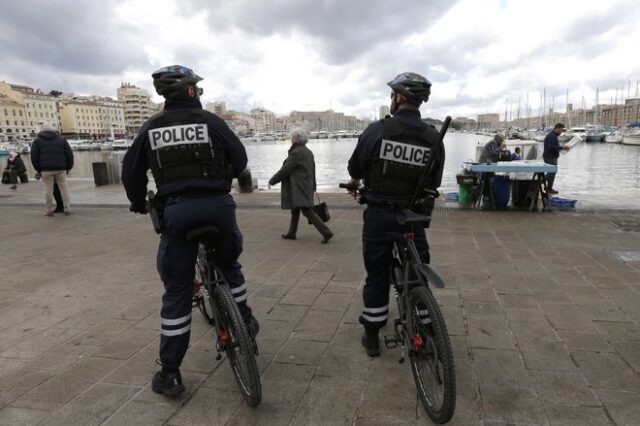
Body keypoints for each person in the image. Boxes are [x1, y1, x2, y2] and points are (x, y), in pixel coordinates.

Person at [121, 65, 259, 397]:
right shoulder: (212, 122)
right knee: (230, 267)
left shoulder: (151, 128)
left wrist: (139, 202)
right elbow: (239, 161)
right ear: (191, 91)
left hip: (177, 212)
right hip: (217, 208)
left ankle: (170, 373)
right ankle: (247, 327)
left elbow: (131, 172)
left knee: (178, 292)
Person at [346, 72, 445, 357]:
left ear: (399, 98)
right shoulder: (432, 137)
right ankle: (426, 328)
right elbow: (434, 182)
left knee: (376, 274)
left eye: (392, 96)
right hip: (412, 217)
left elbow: (356, 169)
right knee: (418, 273)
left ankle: (373, 335)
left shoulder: (378, 131)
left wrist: (355, 183)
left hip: (380, 216)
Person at [268, 128, 333, 243]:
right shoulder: (307, 151)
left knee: (307, 211)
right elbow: (312, 170)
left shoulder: (296, 152)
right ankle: (291, 233)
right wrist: (314, 185)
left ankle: (326, 232)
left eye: (292, 137)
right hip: (305, 185)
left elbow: (285, 170)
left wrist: (272, 180)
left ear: (296, 139)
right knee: (295, 209)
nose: (291, 139)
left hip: (299, 186)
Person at [30, 124, 74, 216]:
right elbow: (69, 154)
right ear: (53, 130)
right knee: (63, 188)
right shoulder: (61, 140)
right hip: (61, 168)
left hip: (45, 169)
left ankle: (49, 210)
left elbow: (34, 157)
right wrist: (68, 167)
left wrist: (38, 169)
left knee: (48, 189)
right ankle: (67, 208)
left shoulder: (37, 141)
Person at [543, 123, 570, 194]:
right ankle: (540, 182)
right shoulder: (552, 136)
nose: (561, 132)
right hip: (550, 157)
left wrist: (560, 148)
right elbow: (550, 147)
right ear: (557, 128)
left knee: (553, 172)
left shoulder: (553, 136)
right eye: (561, 130)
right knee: (552, 171)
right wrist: (562, 147)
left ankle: (549, 188)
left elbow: (553, 147)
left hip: (552, 156)